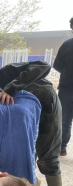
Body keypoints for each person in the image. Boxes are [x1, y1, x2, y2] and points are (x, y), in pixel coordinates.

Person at [53, 17, 73, 156]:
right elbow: (57, 65)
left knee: (64, 119)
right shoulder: (67, 45)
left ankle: (62, 148)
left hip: (66, 86)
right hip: (66, 88)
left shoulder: (67, 44)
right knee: (63, 119)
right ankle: (62, 147)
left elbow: (58, 66)